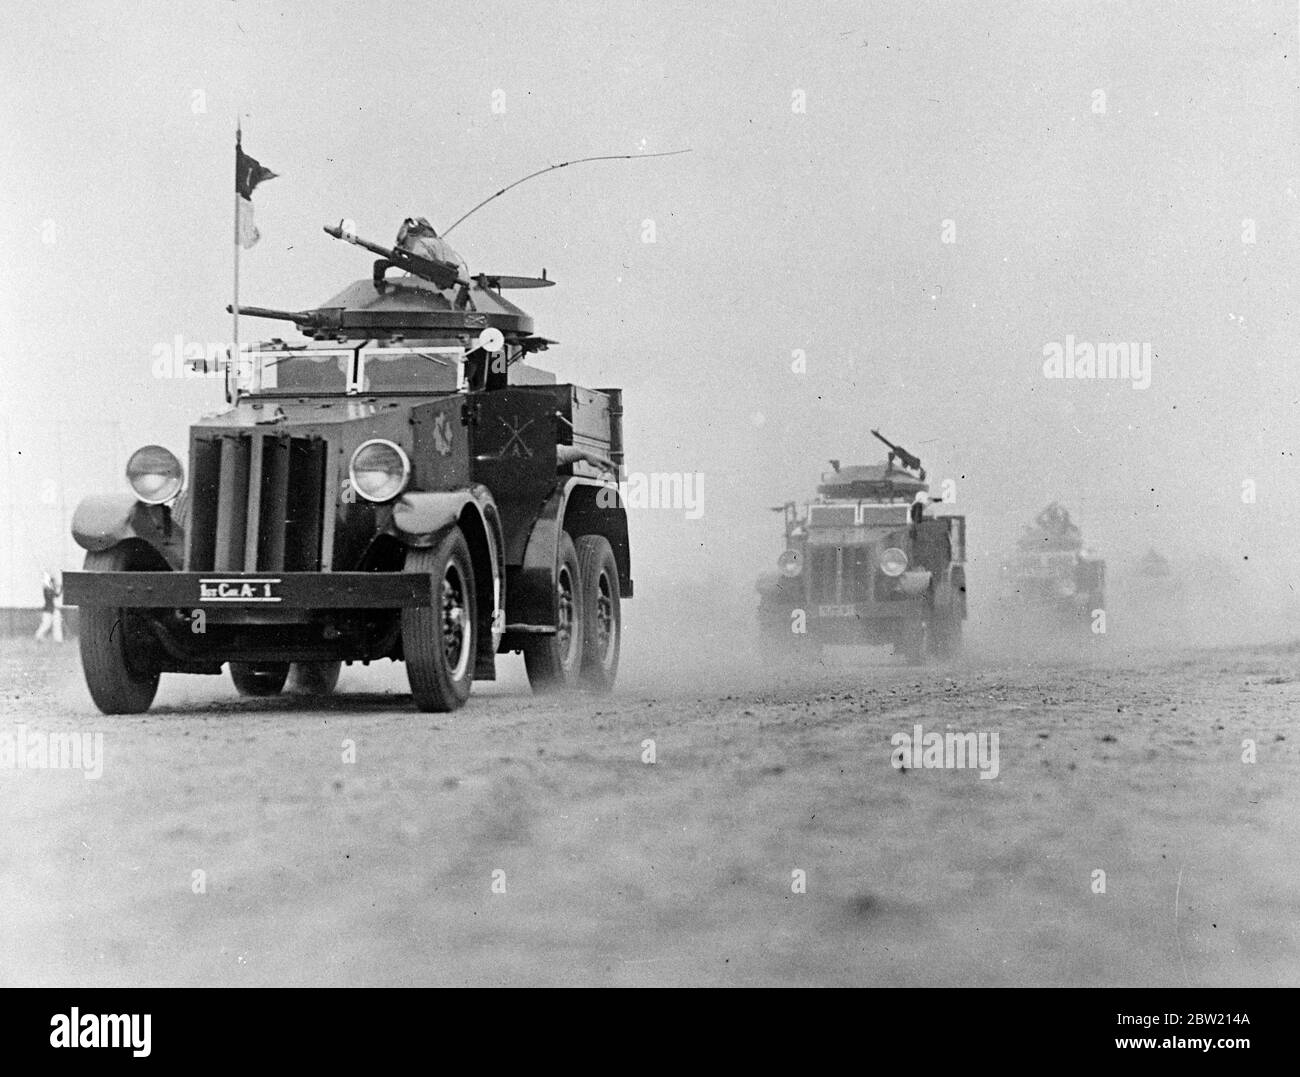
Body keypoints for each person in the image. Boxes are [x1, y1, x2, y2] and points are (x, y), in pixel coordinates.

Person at [35, 572, 64, 643]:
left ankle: (58, 640)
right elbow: (53, 595)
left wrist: (61, 588)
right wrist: (58, 588)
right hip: (49, 610)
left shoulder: (49, 589)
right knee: (46, 624)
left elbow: (56, 595)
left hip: (51, 609)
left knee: (56, 624)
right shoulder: (47, 589)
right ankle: (39, 636)